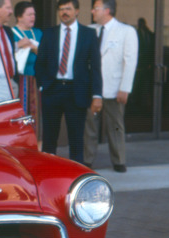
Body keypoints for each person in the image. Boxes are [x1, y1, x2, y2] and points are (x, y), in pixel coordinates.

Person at [34, 0, 102, 163]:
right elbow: (40, 63)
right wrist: (42, 86)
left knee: (76, 139)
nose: (64, 12)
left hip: (76, 91)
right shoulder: (49, 33)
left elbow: (95, 67)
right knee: (49, 138)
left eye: (68, 9)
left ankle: (75, 177)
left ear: (77, 11)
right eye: (61, 9)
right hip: (53, 90)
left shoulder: (88, 34)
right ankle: (48, 173)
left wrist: (97, 94)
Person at [84, 0, 138, 172]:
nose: (93, 11)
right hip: (92, 88)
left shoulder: (126, 31)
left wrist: (125, 88)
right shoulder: (90, 30)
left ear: (107, 10)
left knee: (115, 125)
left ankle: (119, 160)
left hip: (114, 88)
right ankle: (87, 160)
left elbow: (130, 62)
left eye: (96, 8)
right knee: (89, 125)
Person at [12, 1, 42, 138]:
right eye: (29, 14)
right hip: (18, 80)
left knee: (35, 116)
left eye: (34, 14)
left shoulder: (37, 33)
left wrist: (35, 48)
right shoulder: (11, 33)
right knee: (20, 114)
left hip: (36, 79)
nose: (33, 17)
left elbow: (47, 54)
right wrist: (18, 45)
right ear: (19, 17)